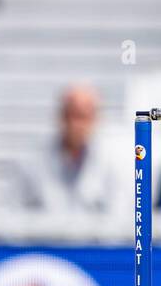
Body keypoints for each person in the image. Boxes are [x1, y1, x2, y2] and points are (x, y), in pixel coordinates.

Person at [19, 84, 120, 212]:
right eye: (71, 115)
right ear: (60, 117)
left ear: (95, 119)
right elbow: (14, 213)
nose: (76, 124)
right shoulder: (31, 163)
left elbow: (117, 214)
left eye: (83, 116)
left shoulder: (111, 164)